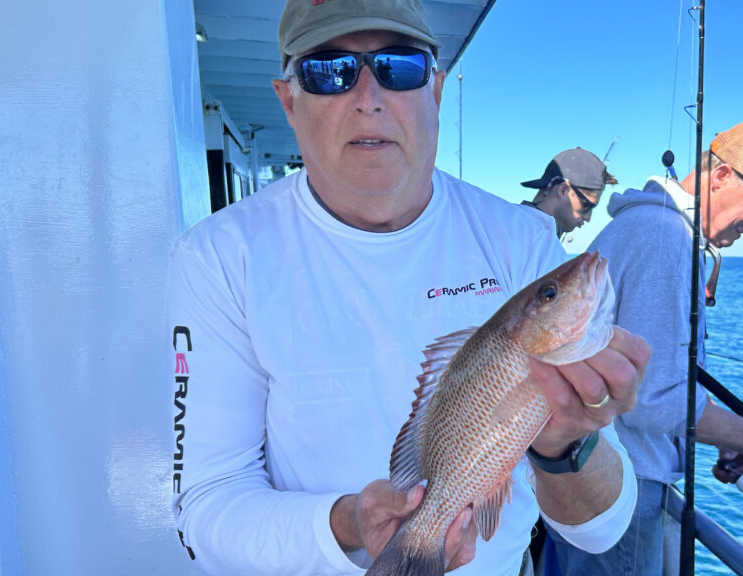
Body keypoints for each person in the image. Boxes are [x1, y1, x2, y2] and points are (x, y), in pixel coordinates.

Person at [166, 2, 651, 575]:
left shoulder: (523, 242)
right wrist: (348, 522)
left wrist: (565, 445)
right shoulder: (220, 256)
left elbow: (601, 531)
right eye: (329, 70)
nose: (367, 95)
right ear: (289, 101)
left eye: (399, 67)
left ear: (436, 91)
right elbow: (203, 509)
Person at [548, 120, 743, 576]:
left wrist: (724, 432)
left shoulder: (651, 229)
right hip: (621, 488)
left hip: (601, 476)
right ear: (720, 177)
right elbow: (653, 399)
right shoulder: (663, 237)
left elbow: (657, 374)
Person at [520, 147, 617, 238]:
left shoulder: (515, 223)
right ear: (563, 189)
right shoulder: (536, 238)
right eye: (586, 206)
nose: (588, 218)